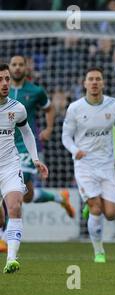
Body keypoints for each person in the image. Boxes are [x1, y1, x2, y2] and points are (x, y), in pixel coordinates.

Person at [0, 56, 75, 253]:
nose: (17, 68)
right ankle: (60, 198)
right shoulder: (4, 89)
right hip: (5, 142)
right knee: (27, 195)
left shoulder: (35, 91)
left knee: (16, 191)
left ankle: (5, 239)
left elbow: (49, 108)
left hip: (24, 146)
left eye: (20, 65)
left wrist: (49, 128)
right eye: (13, 65)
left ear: (26, 68)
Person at [62, 66, 115, 263]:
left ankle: (90, 204)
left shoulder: (114, 106)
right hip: (84, 165)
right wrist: (75, 151)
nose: (94, 82)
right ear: (84, 83)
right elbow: (65, 137)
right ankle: (99, 251)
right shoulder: (75, 108)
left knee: (110, 213)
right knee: (96, 208)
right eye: (90, 79)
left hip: (107, 165)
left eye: (98, 79)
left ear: (103, 83)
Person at [0, 64, 48, 273]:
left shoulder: (17, 108)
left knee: (15, 207)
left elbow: (27, 133)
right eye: (0, 79)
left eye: (7, 79)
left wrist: (36, 159)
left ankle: (11, 259)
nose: (4, 84)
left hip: (10, 164)